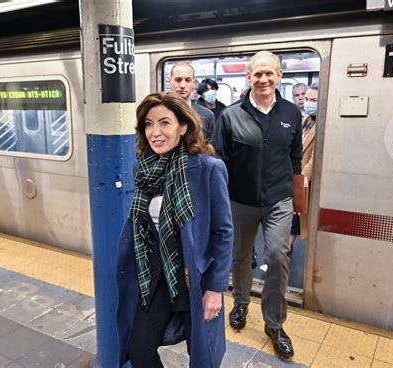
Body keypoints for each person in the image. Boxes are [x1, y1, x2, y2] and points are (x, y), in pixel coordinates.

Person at [116, 92, 233, 368]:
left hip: (195, 278)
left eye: (164, 123)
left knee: (202, 357)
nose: (155, 132)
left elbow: (224, 232)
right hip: (155, 277)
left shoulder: (208, 169)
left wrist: (215, 289)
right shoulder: (143, 168)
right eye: (148, 124)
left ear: (183, 126)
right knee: (139, 349)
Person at [213, 51, 302, 359]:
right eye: (257, 74)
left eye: (270, 73)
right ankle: (240, 302)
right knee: (240, 257)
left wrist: (297, 201)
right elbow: (218, 162)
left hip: (278, 199)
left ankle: (274, 324)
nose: (264, 79)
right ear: (248, 77)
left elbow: (295, 159)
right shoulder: (230, 115)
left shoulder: (291, 113)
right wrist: (218, 203)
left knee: (278, 255)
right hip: (240, 200)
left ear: (279, 76)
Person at [289, 83, 318, 250]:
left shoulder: (322, 123)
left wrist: (300, 180)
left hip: (306, 182)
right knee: (292, 223)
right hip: (297, 177)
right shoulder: (307, 120)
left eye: (313, 100)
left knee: (298, 222)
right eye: (307, 99)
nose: (306, 102)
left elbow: (315, 159)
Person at [169, 62, 216, 141]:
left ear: (193, 84)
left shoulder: (207, 116)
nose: (182, 85)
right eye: (178, 80)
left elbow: (209, 150)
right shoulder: (157, 112)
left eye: (187, 80)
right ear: (170, 82)